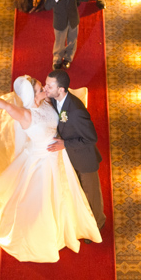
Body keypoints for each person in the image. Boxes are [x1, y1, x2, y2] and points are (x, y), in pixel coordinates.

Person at [0, 75, 102, 262]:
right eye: (40, 89)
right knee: (45, 198)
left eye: (43, 87)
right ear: (32, 94)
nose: (44, 90)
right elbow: (7, 107)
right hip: (42, 162)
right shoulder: (25, 114)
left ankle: (70, 225)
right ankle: (47, 234)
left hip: (59, 155)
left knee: (66, 192)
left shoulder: (46, 101)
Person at [44, 70, 105, 230]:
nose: (46, 88)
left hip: (85, 160)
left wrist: (65, 144)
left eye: (49, 86)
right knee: (77, 194)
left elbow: (91, 138)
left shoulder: (76, 111)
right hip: (69, 158)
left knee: (90, 195)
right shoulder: (54, 98)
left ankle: (98, 224)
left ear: (61, 89)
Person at [44, 0, 89, 70]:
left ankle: (68, 58)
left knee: (72, 41)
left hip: (73, 19)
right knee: (59, 42)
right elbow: (47, 6)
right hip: (60, 20)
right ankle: (57, 60)